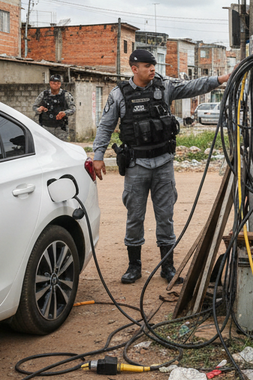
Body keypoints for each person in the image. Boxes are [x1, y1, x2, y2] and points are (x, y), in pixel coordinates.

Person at [91, 49, 230, 285]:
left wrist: (221, 79)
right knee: (135, 217)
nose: (152, 69)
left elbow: (193, 86)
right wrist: (98, 155)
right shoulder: (119, 94)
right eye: (147, 66)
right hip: (136, 165)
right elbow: (105, 126)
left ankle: (168, 266)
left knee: (165, 216)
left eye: (153, 65)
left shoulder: (164, 86)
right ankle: (134, 266)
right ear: (134, 69)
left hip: (163, 163)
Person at [33, 74, 76, 141]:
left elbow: (73, 109)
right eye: (53, 83)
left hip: (61, 128)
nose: (56, 85)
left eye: (58, 83)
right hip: (46, 127)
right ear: (50, 83)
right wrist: (39, 109)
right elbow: (34, 106)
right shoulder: (44, 94)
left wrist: (65, 113)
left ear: (60, 84)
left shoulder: (66, 95)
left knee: (62, 148)